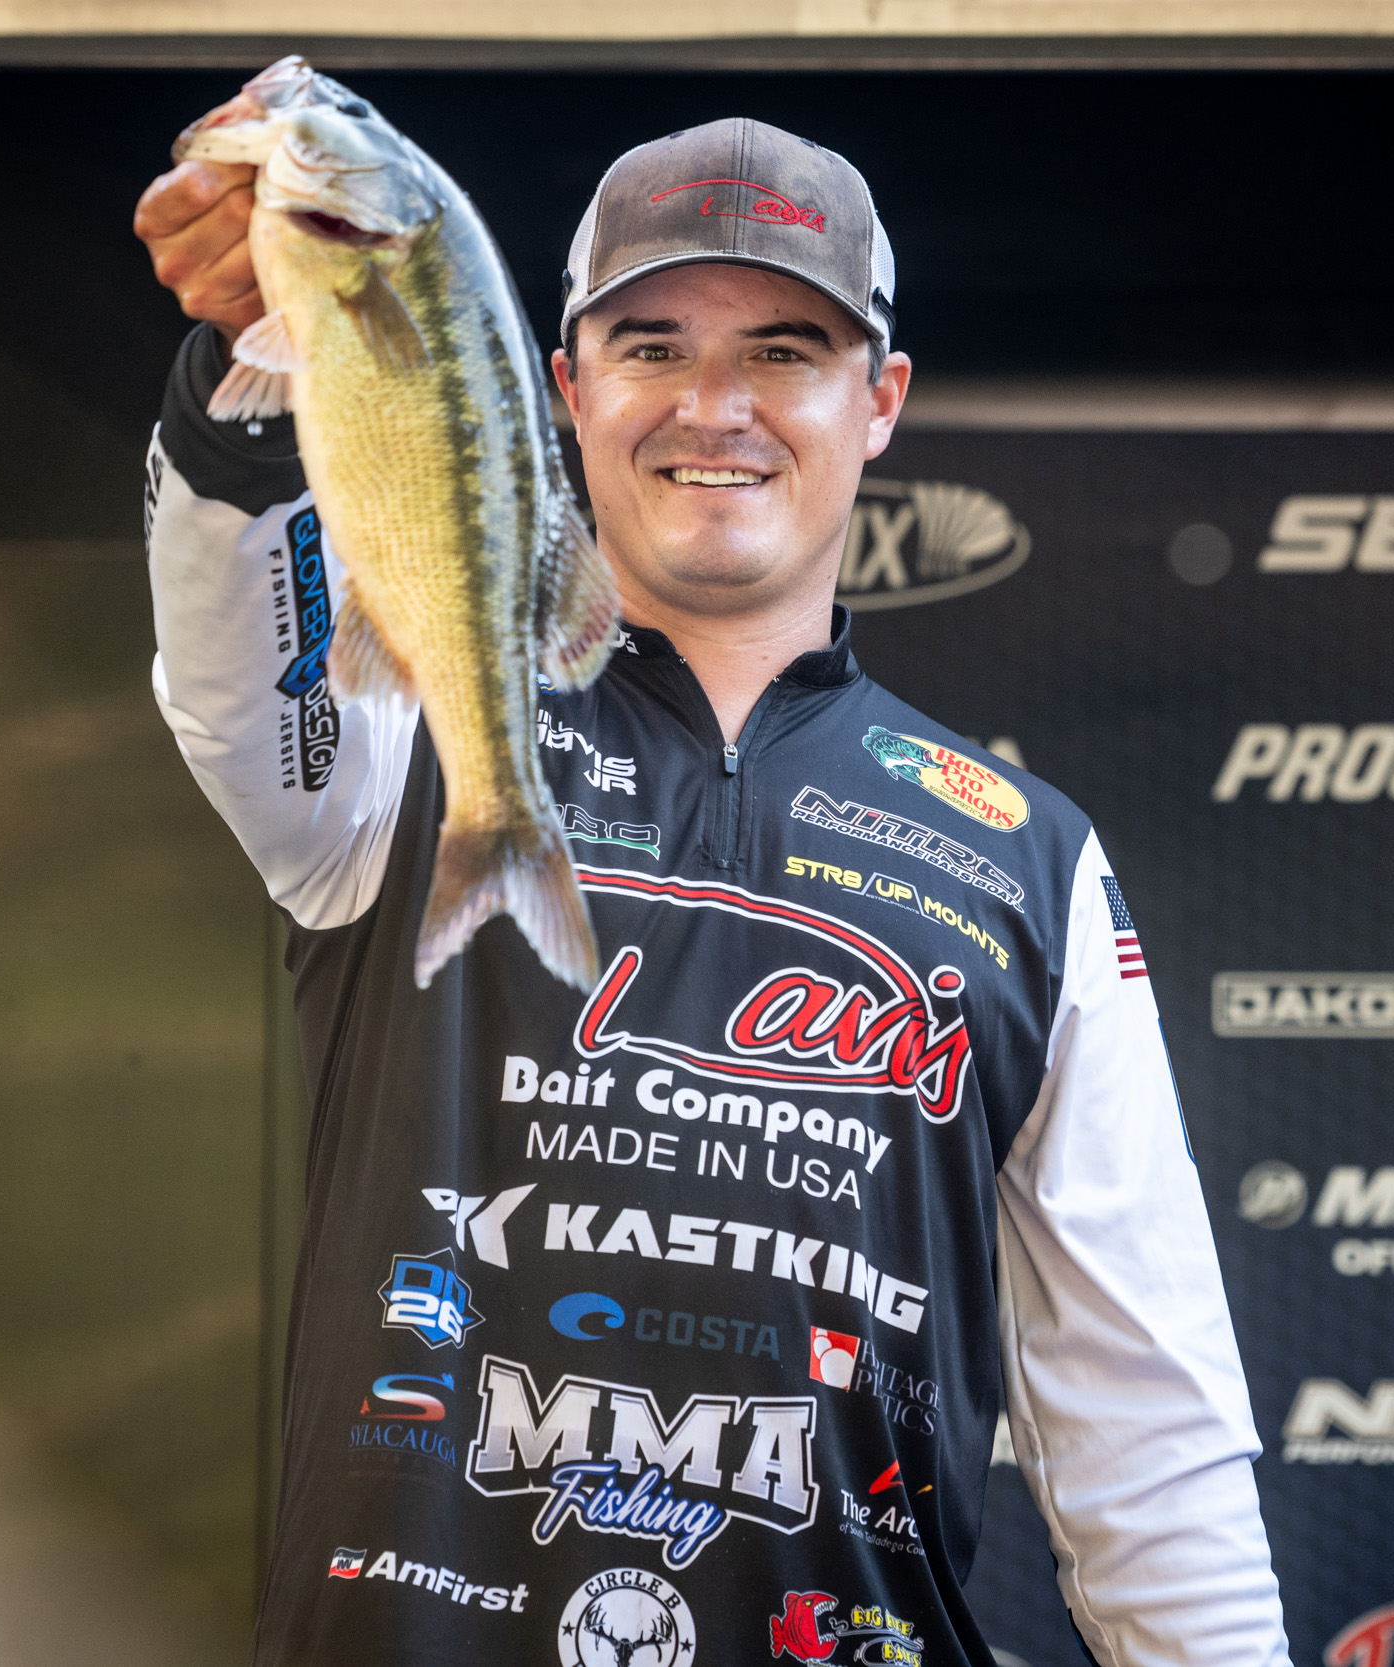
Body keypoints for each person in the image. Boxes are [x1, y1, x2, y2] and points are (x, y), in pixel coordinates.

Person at [134, 110, 1289, 1667]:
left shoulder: (1031, 857)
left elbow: (1150, 1433)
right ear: (567, 390)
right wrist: (253, 362)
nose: (714, 407)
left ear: (878, 402)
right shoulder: (411, 734)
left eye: (784, 352)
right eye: (653, 347)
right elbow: (233, 676)